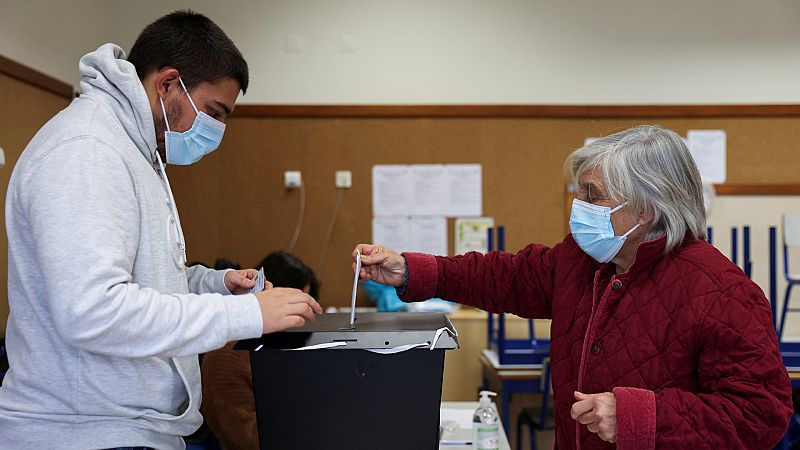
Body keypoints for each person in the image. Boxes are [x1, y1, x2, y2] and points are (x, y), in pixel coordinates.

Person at [355, 125, 793, 449]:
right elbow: (504, 277)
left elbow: (761, 414)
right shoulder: (587, 261)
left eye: (593, 194)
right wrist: (411, 271)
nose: (579, 207)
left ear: (648, 205)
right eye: (578, 192)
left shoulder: (720, 291)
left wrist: (639, 416)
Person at [0, 11, 322, 450]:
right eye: (213, 112)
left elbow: (139, 280)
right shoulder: (87, 151)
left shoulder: (136, 149)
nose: (218, 132)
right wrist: (247, 315)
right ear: (168, 84)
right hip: (84, 434)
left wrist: (214, 285)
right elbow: (93, 309)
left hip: (127, 429)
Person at [201, 251, 319, 450]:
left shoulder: (281, 342)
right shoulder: (228, 356)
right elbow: (247, 439)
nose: (301, 318)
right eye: (295, 306)